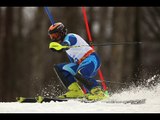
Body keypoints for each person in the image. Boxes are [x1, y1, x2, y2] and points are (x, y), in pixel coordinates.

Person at [48, 22, 108, 101]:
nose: (54, 39)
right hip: (81, 63)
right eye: (51, 37)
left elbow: (67, 44)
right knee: (59, 68)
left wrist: (61, 47)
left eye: (55, 36)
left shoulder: (71, 36)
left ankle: (98, 92)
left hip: (91, 59)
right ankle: (75, 91)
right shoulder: (63, 43)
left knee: (80, 73)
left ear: (62, 33)